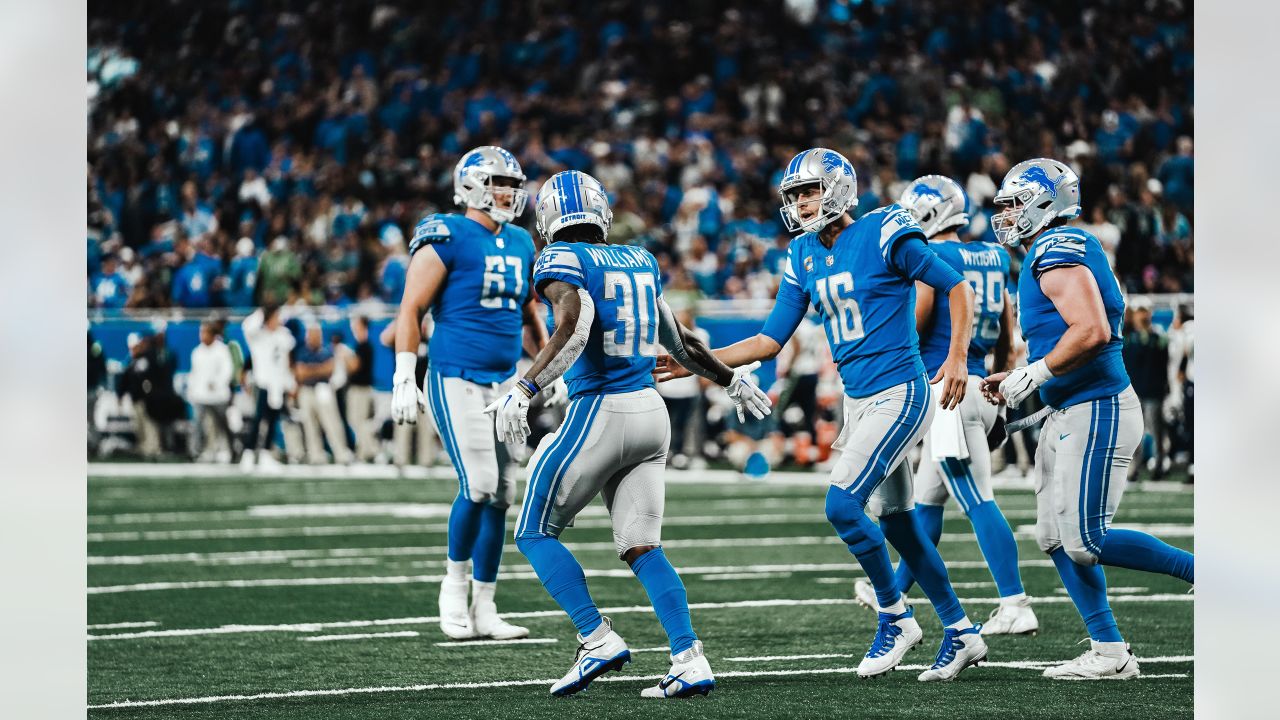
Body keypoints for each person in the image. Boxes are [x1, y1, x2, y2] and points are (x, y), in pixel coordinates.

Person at [657, 148, 986, 681]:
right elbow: (768, 340)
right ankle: (962, 630)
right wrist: (697, 361)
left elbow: (957, 287)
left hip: (901, 391)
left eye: (811, 191)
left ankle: (895, 616)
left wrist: (956, 358)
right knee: (900, 526)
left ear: (839, 188)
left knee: (841, 505)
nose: (803, 203)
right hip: (860, 401)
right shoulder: (802, 254)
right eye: (795, 195)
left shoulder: (884, 230)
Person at [488, 170, 771, 698]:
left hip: (601, 411)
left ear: (549, 216)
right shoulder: (639, 258)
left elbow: (573, 324)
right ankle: (689, 657)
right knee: (642, 546)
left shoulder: (559, 258)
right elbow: (681, 341)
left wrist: (525, 387)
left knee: (532, 531)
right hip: (651, 413)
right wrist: (730, 379)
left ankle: (595, 636)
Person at [981, 158, 1194, 680]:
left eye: (1014, 202)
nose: (1005, 214)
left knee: (1086, 540)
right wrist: (1020, 374)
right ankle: (1109, 651)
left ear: (1045, 203)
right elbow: (1066, 336)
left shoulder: (1057, 248)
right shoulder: (1049, 251)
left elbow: (1093, 329)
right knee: (1053, 539)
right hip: (1070, 407)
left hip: (1096, 407)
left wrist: (1032, 374)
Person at [852, 175, 1037, 635]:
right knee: (928, 504)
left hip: (948, 390)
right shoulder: (994, 255)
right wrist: (1002, 389)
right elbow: (1008, 330)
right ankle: (889, 595)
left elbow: (916, 320)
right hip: (983, 386)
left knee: (977, 499)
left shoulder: (933, 256)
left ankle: (1015, 603)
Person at [389, 146, 559, 641]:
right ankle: (453, 585)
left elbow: (529, 314)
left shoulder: (523, 242)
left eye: (513, 183)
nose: (510, 192)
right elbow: (411, 307)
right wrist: (404, 375)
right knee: (481, 483)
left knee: (506, 493)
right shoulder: (446, 233)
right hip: (454, 375)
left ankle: (486, 605)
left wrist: (552, 370)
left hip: (505, 380)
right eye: (501, 183)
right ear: (473, 184)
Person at [240, 304, 296, 470]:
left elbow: (286, 361)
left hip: (277, 384)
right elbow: (247, 326)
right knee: (257, 419)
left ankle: (265, 454)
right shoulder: (258, 335)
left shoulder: (284, 336)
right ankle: (248, 454)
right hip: (262, 382)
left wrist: (290, 382)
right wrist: (261, 311)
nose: (277, 321)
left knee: (272, 420)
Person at [1122, 296, 1170, 480]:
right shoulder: (1127, 339)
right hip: (1134, 392)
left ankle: (1160, 464)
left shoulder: (1158, 338)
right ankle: (1134, 467)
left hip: (1153, 391)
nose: (1141, 315)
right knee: (1133, 432)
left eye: (1144, 311)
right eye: (1138, 312)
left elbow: (1165, 365)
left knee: (1156, 429)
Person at [294, 323, 353, 465]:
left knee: (332, 423)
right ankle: (316, 455)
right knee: (310, 424)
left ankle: (340, 453)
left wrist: (310, 370)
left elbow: (329, 369)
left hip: (323, 390)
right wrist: (319, 370)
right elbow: (300, 373)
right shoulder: (302, 352)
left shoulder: (326, 350)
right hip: (307, 391)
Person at [187, 320, 235, 462]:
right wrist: (192, 391)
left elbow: (227, 370)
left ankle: (231, 450)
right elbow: (194, 373)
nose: (202, 336)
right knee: (198, 424)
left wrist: (218, 383)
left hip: (218, 396)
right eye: (201, 332)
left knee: (223, 425)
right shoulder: (197, 352)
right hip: (200, 395)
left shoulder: (222, 350)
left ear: (213, 335)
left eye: (205, 332)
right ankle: (196, 451)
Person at [344, 315, 379, 463]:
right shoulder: (362, 345)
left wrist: (345, 357)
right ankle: (367, 450)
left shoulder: (364, 346)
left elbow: (355, 367)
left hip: (361, 390)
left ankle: (372, 450)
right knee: (357, 421)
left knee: (360, 422)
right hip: (359, 389)